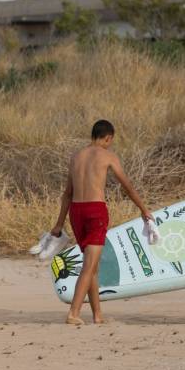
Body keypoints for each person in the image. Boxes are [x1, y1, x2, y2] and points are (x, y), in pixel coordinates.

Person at [50, 120, 152, 325]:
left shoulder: (76, 157)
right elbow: (128, 187)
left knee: (92, 266)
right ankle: (74, 313)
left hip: (76, 212)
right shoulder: (108, 156)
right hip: (95, 211)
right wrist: (143, 209)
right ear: (108, 138)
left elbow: (67, 194)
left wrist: (59, 224)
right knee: (89, 265)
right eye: (110, 141)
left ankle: (97, 315)